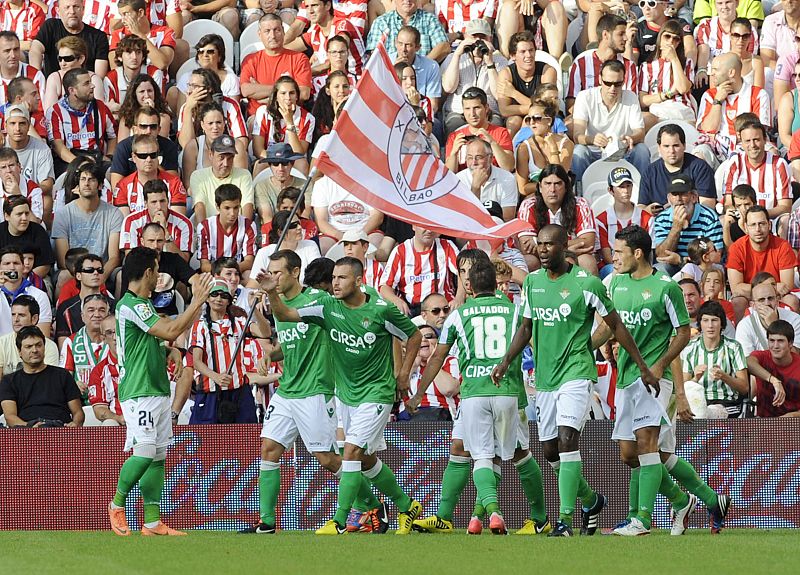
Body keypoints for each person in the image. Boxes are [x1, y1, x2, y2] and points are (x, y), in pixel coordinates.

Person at [492, 224, 655, 537]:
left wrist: (642, 365)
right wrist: (505, 361)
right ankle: (591, 501)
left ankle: (564, 520)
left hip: (577, 373)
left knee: (568, 439)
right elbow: (525, 329)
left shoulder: (587, 283)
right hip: (546, 378)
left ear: (563, 245)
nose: (541, 250)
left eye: (549, 245)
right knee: (551, 451)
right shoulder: (533, 283)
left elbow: (616, 325)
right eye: (538, 244)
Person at [259, 256, 424, 535]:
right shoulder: (327, 306)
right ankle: (406, 505)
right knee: (364, 458)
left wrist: (403, 374)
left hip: (372, 391)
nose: (335, 283)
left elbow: (413, 336)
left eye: (342, 278)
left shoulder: (380, 310)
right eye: (334, 277)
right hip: (346, 394)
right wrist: (272, 294)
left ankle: (340, 521)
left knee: (345, 454)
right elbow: (287, 318)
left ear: (359, 280)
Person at [240, 249, 387, 534]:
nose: (274, 278)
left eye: (279, 272)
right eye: (270, 273)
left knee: (327, 458)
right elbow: (290, 341)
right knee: (269, 449)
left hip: (316, 391)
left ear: (296, 272)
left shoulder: (319, 300)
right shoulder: (280, 303)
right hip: (287, 390)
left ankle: (371, 505)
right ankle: (266, 522)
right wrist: (273, 355)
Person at [415, 258, 550, 535]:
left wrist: (418, 392)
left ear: (470, 286)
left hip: (476, 392)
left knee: (496, 456)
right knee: (462, 447)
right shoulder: (514, 311)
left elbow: (438, 356)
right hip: (510, 391)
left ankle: (497, 512)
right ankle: (451, 516)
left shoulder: (459, 315)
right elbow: (536, 346)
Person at [107, 247, 213, 537]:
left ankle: (152, 523)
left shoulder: (143, 305)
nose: (160, 276)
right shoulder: (131, 304)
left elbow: (153, 339)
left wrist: (171, 351)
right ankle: (116, 504)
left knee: (157, 457)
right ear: (148, 273)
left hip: (156, 388)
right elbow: (168, 329)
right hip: (139, 390)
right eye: (157, 269)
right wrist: (197, 302)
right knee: (143, 452)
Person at [605, 225, 700, 536]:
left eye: (619, 252)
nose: (613, 257)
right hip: (627, 376)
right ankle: (680, 499)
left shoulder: (665, 287)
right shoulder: (616, 283)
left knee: (648, 445)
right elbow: (612, 325)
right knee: (628, 454)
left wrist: (660, 365)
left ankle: (642, 520)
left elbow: (683, 332)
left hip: (654, 379)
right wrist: (589, 345)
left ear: (637, 253)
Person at [188, 280, 267, 424]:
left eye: (224, 296)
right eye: (214, 294)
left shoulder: (240, 322)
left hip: (240, 392)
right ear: (207, 298)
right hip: (209, 392)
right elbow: (196, 361)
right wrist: (216, 377)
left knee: (244, 439)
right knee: (206, 442)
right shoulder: (200, 326)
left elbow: (265, 332)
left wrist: (253, 309)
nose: (218, 299)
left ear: (229, 301)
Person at [571, 59, 650, 182]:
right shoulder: (584, 96)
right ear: (599, 80)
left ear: (623, 82)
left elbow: (640, 132)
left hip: (622, 152)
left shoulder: (630, 97)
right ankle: (578, 193)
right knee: (579, 152)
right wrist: (593, 140)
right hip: (593, 152)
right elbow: (577, 135)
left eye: (618, 84)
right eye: (608, 83)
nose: (612, 88)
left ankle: (643, 192)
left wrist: (631, 138)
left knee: (642, 151)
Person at [51, 160, 124, 288]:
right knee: (63, 276)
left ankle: (116, 308)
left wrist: (99, 275)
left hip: (102, 270)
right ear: (78, 184)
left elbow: (114, 258)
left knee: (121, 275)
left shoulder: (114, 213)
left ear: (100, 185)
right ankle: (62, 308)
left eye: (92, 179)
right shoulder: (63, 214)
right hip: (73, 270)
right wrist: (85, 276)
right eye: (83, 179)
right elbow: (63, 261)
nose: (86, 183)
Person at [517, 164, 598, 274]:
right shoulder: (528, 206)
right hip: (543, 259)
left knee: (587, 261)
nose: (552, 189)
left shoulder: (580, 204)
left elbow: (588, 242)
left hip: (572, 256)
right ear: (540, 187)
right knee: (529, 261)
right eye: (548, 184)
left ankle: (591, 291)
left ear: (566, 187)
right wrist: (564, 251)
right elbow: (526, 247)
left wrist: (542, 246)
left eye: (558, 184)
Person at [695, 53, 771, 167]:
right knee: (699, 153)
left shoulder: (758, 95)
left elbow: (757, 132)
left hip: (746, 146)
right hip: (717, 145)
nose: (711, 73)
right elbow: (708, 129)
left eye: (716, 69)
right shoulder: (709, 95)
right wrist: (718, 101)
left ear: (731, 72)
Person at [0, 326, 83, 427]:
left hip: (61, 430)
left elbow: (78, 412)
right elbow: (10, 417)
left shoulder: (63, 375)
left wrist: (74, 424)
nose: (35, 350)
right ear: (19, 351)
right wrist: (29, 427)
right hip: (27, 433)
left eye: (38, 345)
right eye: (28, 347)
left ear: (44, 347)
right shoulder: (9, 381)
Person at [681, 300, 749, 418]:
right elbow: (684, 387)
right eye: (706, 320)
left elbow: (744, 388)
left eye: (714, 320)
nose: (710, 326)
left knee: (704, 414)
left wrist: (724, 377)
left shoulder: (734, 347)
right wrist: (695, 378)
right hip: (697, 401)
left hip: (727, 403)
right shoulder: (690, 349)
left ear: (722, 324)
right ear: (700, 324)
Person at [45, 68, 117, 176]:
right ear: (72, 90)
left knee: (113, 174)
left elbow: (113, 136)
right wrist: (81, 164)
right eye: (87, 83)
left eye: (90, 82)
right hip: (69, 161)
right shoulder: (55, 112)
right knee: (71, 179)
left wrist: (110, 156)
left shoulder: (100, 107)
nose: (93, 86)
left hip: (97, 158)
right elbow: (58, 146)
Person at [440, 20, 508, 134]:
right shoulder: (453, 58)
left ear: (490, 39)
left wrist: (490, 63)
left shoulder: (500, 62)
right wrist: (457, 55)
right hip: (459, 112)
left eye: (483, 37)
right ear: (466, 37)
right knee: (454, 125)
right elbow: (448, 87)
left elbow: (498, 94)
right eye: (474, 37)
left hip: (489, 113)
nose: (478, 42)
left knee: (495, 126)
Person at [240, 14, 312, 118]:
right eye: (267, 31)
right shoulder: (251, 60)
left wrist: (267, 94)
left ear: (283, 31)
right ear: (260, 34)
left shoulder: (299, 59)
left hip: (291, 116)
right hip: (258, 117)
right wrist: (287, 91)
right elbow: (246, 90)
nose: (272, 36)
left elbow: (304, 93)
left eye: (276, 30)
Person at [653, 174, 724, 277]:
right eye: (674, 194)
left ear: (694, 197)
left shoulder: (709, 218)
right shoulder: (662, 218)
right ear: (669, 199)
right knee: (659, 269)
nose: (679, 199)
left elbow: (715, 257)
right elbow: (662, 255)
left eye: (683, 194)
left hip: (702, 268)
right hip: (672, 267)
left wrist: (681, 261)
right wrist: (676, 227)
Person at [566, 14, 638, 114]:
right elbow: (571, 104)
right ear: (605, 35)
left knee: (649, 118)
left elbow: (632, 103)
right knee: (569, 124)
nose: (626, 38)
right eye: (621, 34)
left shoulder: (629, 66)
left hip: (619, 119)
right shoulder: (581, 63)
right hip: (587, 119)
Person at [379, 225, 459, 316]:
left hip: (443, 310)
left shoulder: (446, 246)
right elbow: (385, 287)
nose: (429, 230)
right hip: (411, 310)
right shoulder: (401, 251)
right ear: (414, 226)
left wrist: (459, 298)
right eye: (424, 226)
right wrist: (396, 301)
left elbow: (463, 273)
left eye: (432, 226)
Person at [721, 121, 792, 222]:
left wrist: (757, 216)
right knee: (724, 221)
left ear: (765, 140)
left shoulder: (779, 164)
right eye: (747, 141)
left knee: (785, 220)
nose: (752, 145)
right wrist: (737, 214)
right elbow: (728, 203)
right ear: (741, 143)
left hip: (770, 220)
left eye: (756, 140)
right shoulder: (735, 163)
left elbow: (785, 207)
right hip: (740, 220)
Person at [638, 124, 717, 214]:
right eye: (666, 146)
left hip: (695, 223)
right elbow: (641, 207)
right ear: (659, 148)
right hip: (658, 224)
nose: (671, 151)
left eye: (676, 145)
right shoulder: (649, 172)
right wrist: (648, 211)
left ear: (684, 146)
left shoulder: (700, 167)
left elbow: (708, 205)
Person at [727, 206, 796, 301]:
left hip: (776, 298)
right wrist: (771, 287)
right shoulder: (736, 248)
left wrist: (751, 289)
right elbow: (736, 288)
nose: (758, 229)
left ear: (769, 225)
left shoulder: (783, 246)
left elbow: (787, 286)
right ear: (746, 228)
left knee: (791, 300)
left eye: (762, 224)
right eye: (753, 225)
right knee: (738, 301)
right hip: (750, 298)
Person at [638, 19, 696, 130]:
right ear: (660, 38)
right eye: (667, 36)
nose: (671, 41)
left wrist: (674, 59)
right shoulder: (647, 66)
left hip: (682, 112)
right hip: (658, 114)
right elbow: (642, 101)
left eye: (676, 39)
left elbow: (683, 89)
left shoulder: (687, 63)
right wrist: (667, 94)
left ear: (679, 42)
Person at [496, 30, 555, 138]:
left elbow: (546, 109)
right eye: (523, 52)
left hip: (545, 117)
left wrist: (514, 93)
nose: (528, 55)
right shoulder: (506, 74)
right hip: (516, 116)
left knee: (532, 122)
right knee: (513, 122)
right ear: (513, 56)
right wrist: (533, 107)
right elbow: (504, 110)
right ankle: (510, 152)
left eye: (531, 50)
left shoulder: (547, 71)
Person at [251, 76, 315, 175]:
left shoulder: (308, 118)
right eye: (283, 93)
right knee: (260, 165)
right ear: (276, 96)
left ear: (297, 96)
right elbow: (258, 150)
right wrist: (276, 161)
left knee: (302, 164)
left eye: (292, 93)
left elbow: (299, 153)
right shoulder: (263, 112)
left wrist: (289, 122)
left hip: (293, 160)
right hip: (269, 159)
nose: (288, 98)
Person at [596, 167, 653, 278]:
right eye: (621, 187)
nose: (626, 191)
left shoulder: (646, 218)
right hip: (612, 267)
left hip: (640, 266)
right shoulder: (601, 220)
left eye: (628, 186)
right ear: (610, 190)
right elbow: (608, 257)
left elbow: (649, 253)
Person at [29, 0, 109, 78]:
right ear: (58, 11)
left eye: (76, 6)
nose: (72, 11)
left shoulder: (99, 37)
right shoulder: (50, 27)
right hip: (54, 87)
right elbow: (35, 50)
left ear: (83, 9)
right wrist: (38, 79)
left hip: (86, 87)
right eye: (67, 7)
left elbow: (99, 75)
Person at [284, 0, 365, 76]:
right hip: (332, 82)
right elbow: (285, 49)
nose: (310, 11)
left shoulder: (342, 25)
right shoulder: (315, 31)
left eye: (314, 5)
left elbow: (334, 60)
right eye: (307, 6)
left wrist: (302, 73)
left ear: (327, 6)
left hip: (355, 79)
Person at [120, 179, 193, 261]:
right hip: (142, 269)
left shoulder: (183, 223)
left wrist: (165, 233)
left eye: (162, 201)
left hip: (173, 270)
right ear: (145, 203)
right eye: (154, 202)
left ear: (168, 201)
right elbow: (131, 259)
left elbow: (184, 260)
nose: (159, 206)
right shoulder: (132, 221)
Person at [114, 135, 187, 217]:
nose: (148, 160)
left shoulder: (174, 183)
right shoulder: (123, 186)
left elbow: (177, 221)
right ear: (134, 157)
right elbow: (124, 224)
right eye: (143, 156)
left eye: (153, 155)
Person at [109, 106, 180, 189]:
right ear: (135, 129)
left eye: (153, 127)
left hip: (160, 195)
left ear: (159, 129)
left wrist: (152, 164)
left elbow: (173, 184)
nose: (148, 131)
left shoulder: (169, 146)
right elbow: (116, 187)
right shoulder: (123, 147)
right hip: (130, 195)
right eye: (143, 126)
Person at [514, 98, 573, 198]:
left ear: (549, 120)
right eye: (528, 119)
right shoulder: (523, 148)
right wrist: (545, 187)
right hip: (536, 195)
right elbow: (523, 188)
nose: (532, 122)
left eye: (537, 118)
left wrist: (553, 148)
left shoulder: (566, 144)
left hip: (560, 195)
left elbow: (559, 178)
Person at [189, 134, 255, 222]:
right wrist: (205, 232)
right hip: (209, 228)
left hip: (237, 229)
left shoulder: (244, 175)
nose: (226, 163)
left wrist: (244, 230)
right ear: (210, 155)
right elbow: (199, 206)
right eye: (221, 158)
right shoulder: (198, 176)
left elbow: (248, 205)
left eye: (230, 158)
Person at [176, 67, 247, 149]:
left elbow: (242, 141)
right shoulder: (186, 107)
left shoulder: (229, 105)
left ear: (209, 88)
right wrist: (188, 109)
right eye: (189, 85)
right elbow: (186, 145)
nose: (189, 91)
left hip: (226, 152)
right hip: (196, 154)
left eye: (194, 86)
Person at [54, 253, 111, 348]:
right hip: (77, 358)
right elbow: (64, 346)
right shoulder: (65, 308)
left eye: (100, 270)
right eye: (90, 270)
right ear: (78, 276)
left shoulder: (114, 305)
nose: (96, 273)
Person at [249, 209, 321, 284]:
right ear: (280, 232)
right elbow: (253, 285)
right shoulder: (264, 252)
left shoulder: (310, 245)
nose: (299, 227)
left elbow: (317, 277)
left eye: (299, 223)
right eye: (294, 225)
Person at [59, 293, 109, 399]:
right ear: (82, 316)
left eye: (102, 310)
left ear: (108, 315)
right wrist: (74, 385)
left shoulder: (116, 341)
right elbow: (64, 379)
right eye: (91, 310)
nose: (97, 314)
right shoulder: (71, 342)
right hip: (82, 405)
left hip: (112, 403)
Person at [747, 319, 800, 417]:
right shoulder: (762, 357)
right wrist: (774, 380)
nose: (775, 346)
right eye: (771, 341)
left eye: (780, 341)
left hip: (793, 423)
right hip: (764, 422)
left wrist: (794, 416)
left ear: (790, 343)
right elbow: (748, 362)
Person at [366, 0, 449, 62]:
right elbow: (374, 55)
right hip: (389, 76)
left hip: (423, 77)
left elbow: (444, 47)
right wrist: (394, 67)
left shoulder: (430, 20)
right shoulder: (381, 22)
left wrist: (421, 64)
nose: (407, 0)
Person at [455, 138, 517, 221]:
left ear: (490, 158)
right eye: (470, 158)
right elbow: (464, 218)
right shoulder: (458, 179)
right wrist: (475, 187)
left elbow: (508, 218)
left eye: (479, 157)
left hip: (498, 227)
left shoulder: (507, 178)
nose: (474, 162)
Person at [3, 103, 54, 203]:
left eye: (22, 123)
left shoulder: (42, 149)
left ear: (29, 125)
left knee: (47, 201)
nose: (17, 128)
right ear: (5, 126)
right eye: (13, 123)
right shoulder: (2, 146)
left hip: (31, 199)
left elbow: (47, 185)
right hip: (3, 198)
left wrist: (23, 192)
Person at [736, 278, 800, 356]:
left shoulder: (794, 319)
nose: (767, 303)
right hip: (759, 367)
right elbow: (747, 361)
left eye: (770, 298)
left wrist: (774, 325)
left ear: (777, 300)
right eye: (761, 300)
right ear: (753, 305)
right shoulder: (744, 326)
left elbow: (795, 355)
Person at [0, 295, 58, 379]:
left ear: (34, 318)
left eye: (21, 315)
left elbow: (49, 381)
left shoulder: (49, 347)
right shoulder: (1, 343)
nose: (15, 319)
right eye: (13, 314)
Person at [42, 36, 104, 113]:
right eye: (60, 59)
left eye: (68, 59)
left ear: (81, 59)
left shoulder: (94, 79)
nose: (63, 63)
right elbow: (49, 113)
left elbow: (99, 112)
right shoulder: (54, 78)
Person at [110, 0, 176, 73]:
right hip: (128, 83)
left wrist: (139, 34)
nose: (122, 20)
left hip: (157, 82)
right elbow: (115, 69)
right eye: (121, 15)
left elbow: (162, 64)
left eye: (126, 14)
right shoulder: (118, 35)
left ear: (140, 13)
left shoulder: (166, 32)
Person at [0, 245, 50, 336]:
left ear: (23, 267)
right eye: (7, 263)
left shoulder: (39, 296)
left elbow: (43, 337)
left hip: (28, 348)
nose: (12, 268)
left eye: (16, 263)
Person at [254, 143, 307, 222]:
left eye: (285, 163)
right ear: (270, 165)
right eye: (275, 164)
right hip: (273, 231)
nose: (280, 168)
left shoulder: (305, 185)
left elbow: (305, 214)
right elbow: (267, 217)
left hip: (299, 229)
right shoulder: (261, 186)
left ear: (292, 163)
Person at [88, 314, 125, 426]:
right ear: (103, 339)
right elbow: (99, 410)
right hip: (119, 422)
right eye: (109, 333)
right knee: (109, 423)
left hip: (145, 416)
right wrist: (118, 418)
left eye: (118, 331)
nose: (115, 337)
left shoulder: (142, 360)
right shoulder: (99, 371)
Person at [114, 74, 171, 141]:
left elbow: (159, 142)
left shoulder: (164, 118)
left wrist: (151, 111)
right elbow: (122, 145)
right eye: (142, 91)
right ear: (135, 95)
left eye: (149, 91)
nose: (147, 95)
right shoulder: (126, 118)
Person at [0, 146, 43, 224]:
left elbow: (36, 224)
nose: (8, 171)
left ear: (19, 167)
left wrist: (18, 196)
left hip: (26, 233)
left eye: (11, 165)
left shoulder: (33, 189)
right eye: (3, 167)